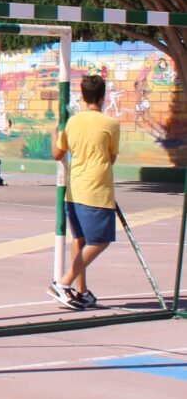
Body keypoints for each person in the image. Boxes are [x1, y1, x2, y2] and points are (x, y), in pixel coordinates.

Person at [49, 74, 120, 310]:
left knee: (79, 240)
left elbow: (58, 154)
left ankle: (81, 290)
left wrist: (54, 133)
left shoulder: (73, 122)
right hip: (96, 190)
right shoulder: (111, 124)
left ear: (83, 95)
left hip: (75, 190)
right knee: (100, 241)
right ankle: (64, 282)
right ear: (103, 96)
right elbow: (111, 158)